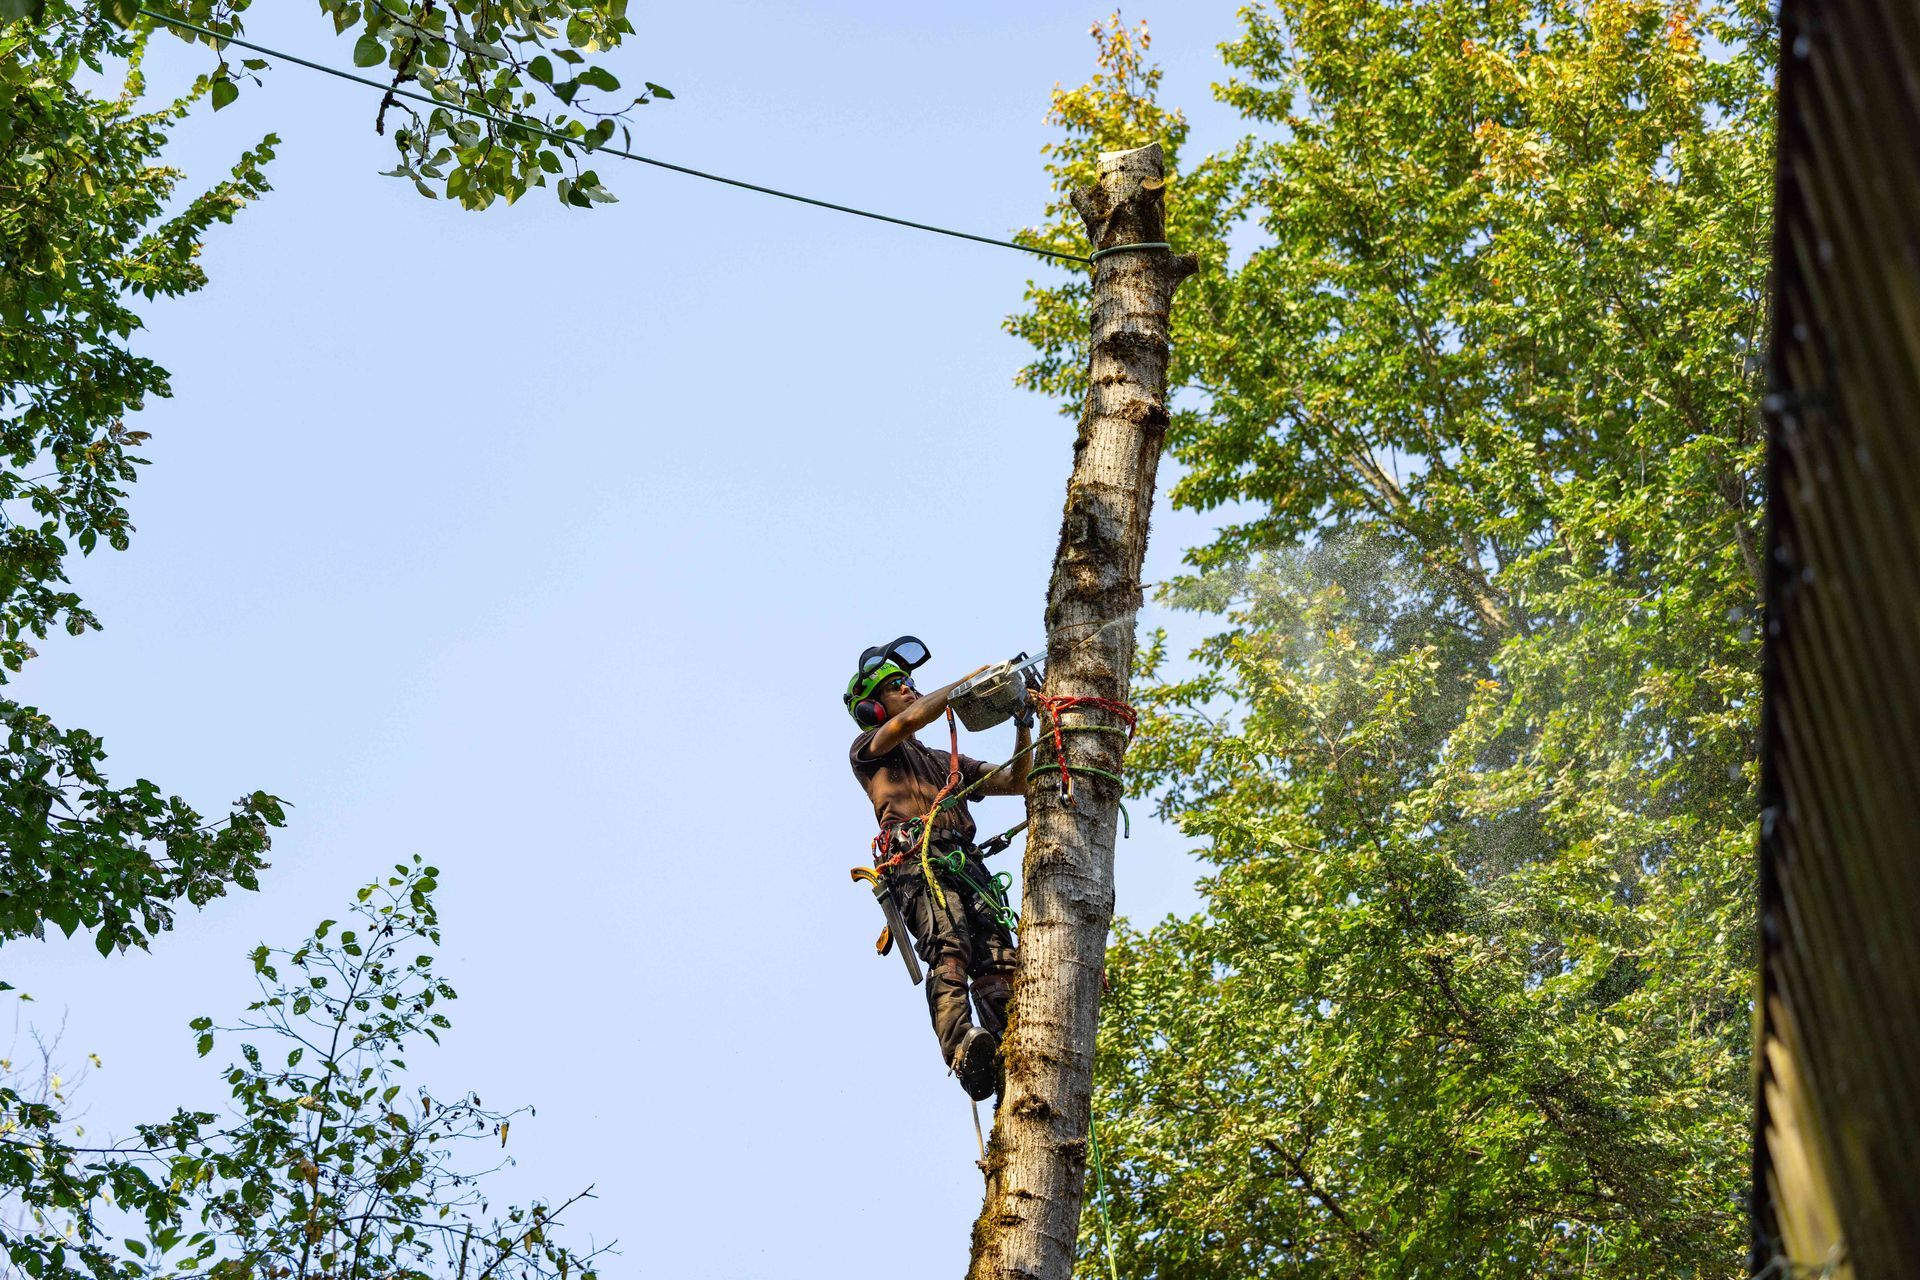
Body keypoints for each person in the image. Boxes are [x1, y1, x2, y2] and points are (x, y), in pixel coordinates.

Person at [845, 639, 1031, 1101]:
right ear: (872, 707)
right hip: (918, 865)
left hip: (965, 863)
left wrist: (1024, 721)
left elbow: (1016, 780)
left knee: (997, 955)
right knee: (950, 947)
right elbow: (912, 718)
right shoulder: (869, 748)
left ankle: (1008, 1043)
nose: (908, 689)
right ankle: (962, 1047)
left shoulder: (941, 760)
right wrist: (967, 687)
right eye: (896, 686)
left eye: (910, 683)